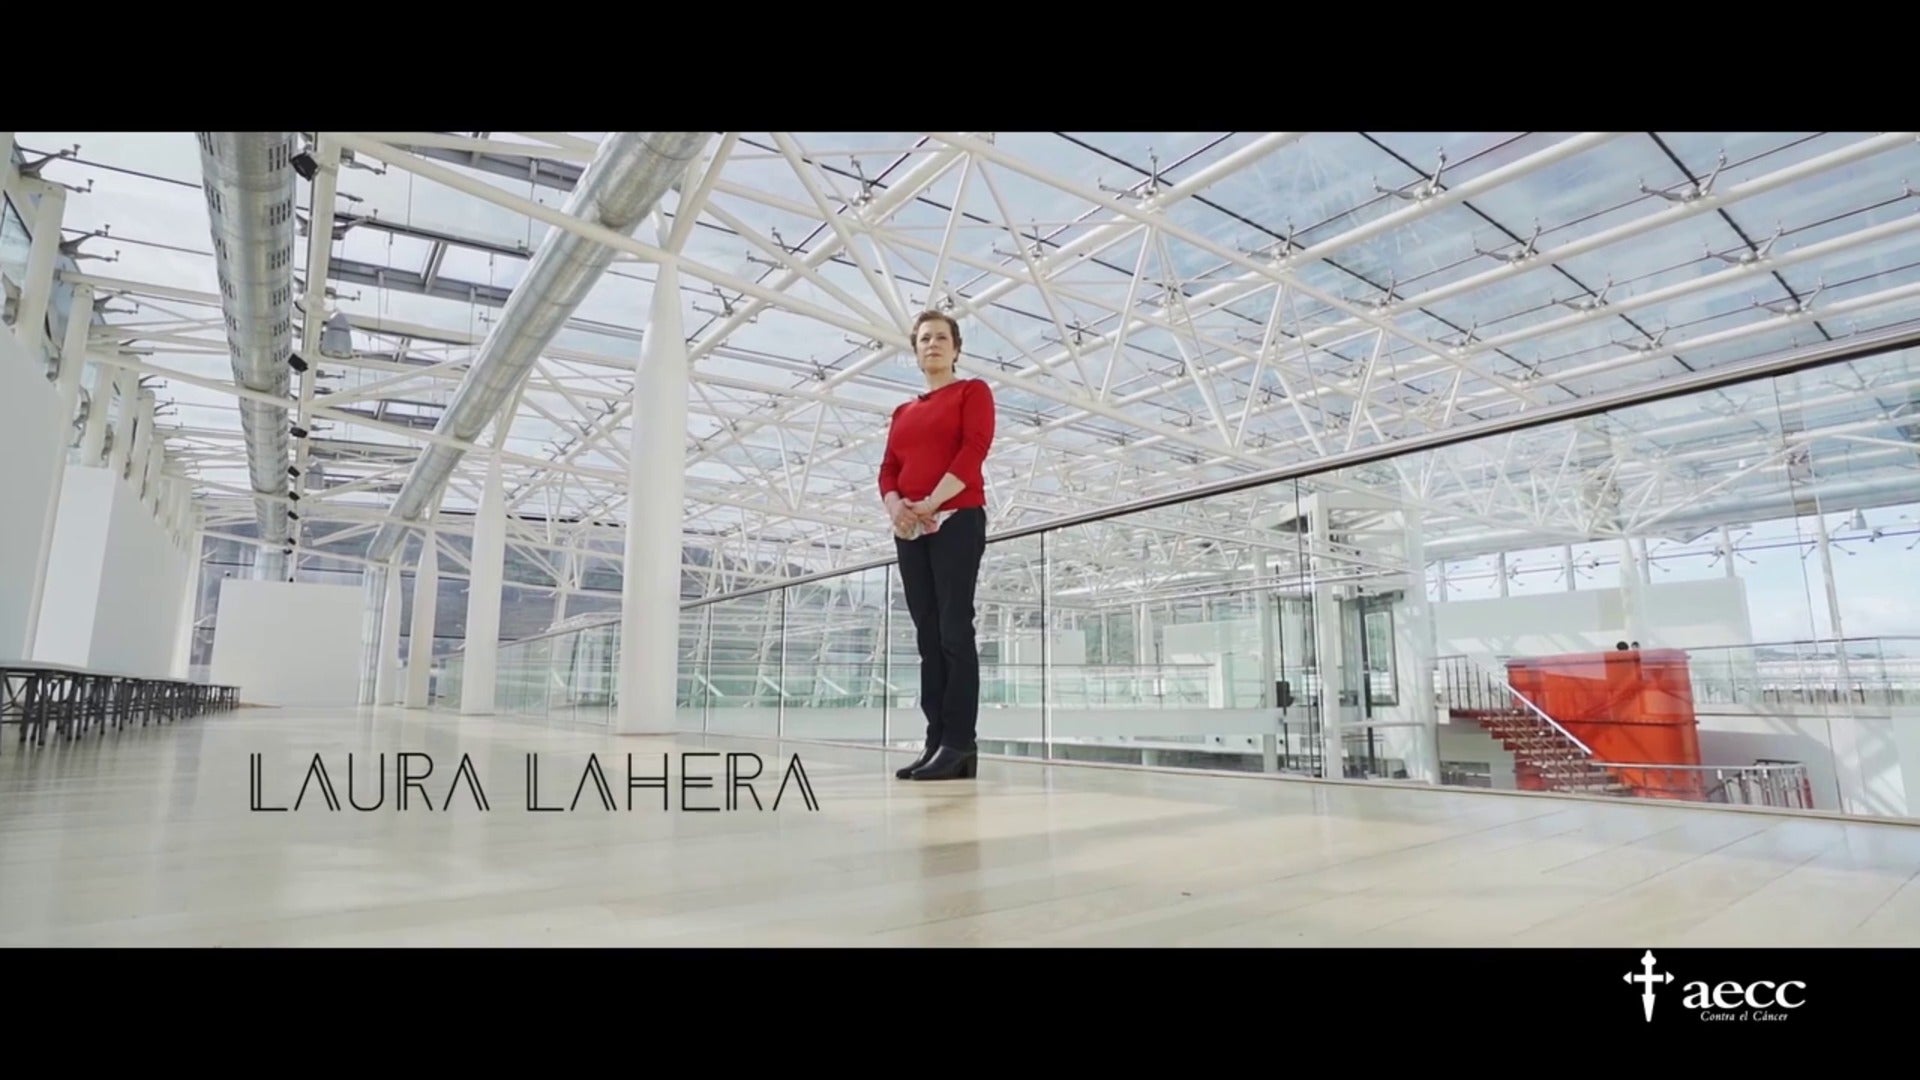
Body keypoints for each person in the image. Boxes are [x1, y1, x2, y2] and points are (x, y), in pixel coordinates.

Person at [879, 309, 995, 781]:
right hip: (910, 529)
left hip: (956, 518)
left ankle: (959, 742)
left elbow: (974, 449)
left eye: (941, 337)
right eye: (924, 338)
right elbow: (888, 468)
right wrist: (897, 508)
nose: (932, 344)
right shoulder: (902, 412)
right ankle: (935, 741)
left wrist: (930, 502)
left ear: (956, 348)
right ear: (915, 351)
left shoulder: (972, 392)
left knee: (953, 631)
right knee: (928, 637)